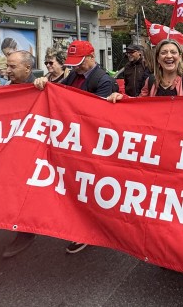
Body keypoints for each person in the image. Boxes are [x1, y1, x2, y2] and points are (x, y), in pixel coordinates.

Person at [36, 40, 115, 254]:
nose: (76, 67)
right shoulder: (74, 75)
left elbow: (97, 116)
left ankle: (88, 230)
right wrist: (45, 85)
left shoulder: (104, 80)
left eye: (80, 62)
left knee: (88, 187)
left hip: (91, 143)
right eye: (73, 63)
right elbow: (59, 92)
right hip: (73, 140)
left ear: (91, 58)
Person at [0, 50, 40, 258]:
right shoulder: (9, 88)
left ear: (28, 68)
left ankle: (26, 230)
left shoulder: (41, 86)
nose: (8, 70)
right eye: (7, 66)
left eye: (12, 67)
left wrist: (45, 87)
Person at [108, 40, 183, 99]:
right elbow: (139, 104)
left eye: (173, 52)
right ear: (158, 58)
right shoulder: (151, 81)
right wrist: (122, 98)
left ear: (180, 57)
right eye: (164, 52)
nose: (169, 56)